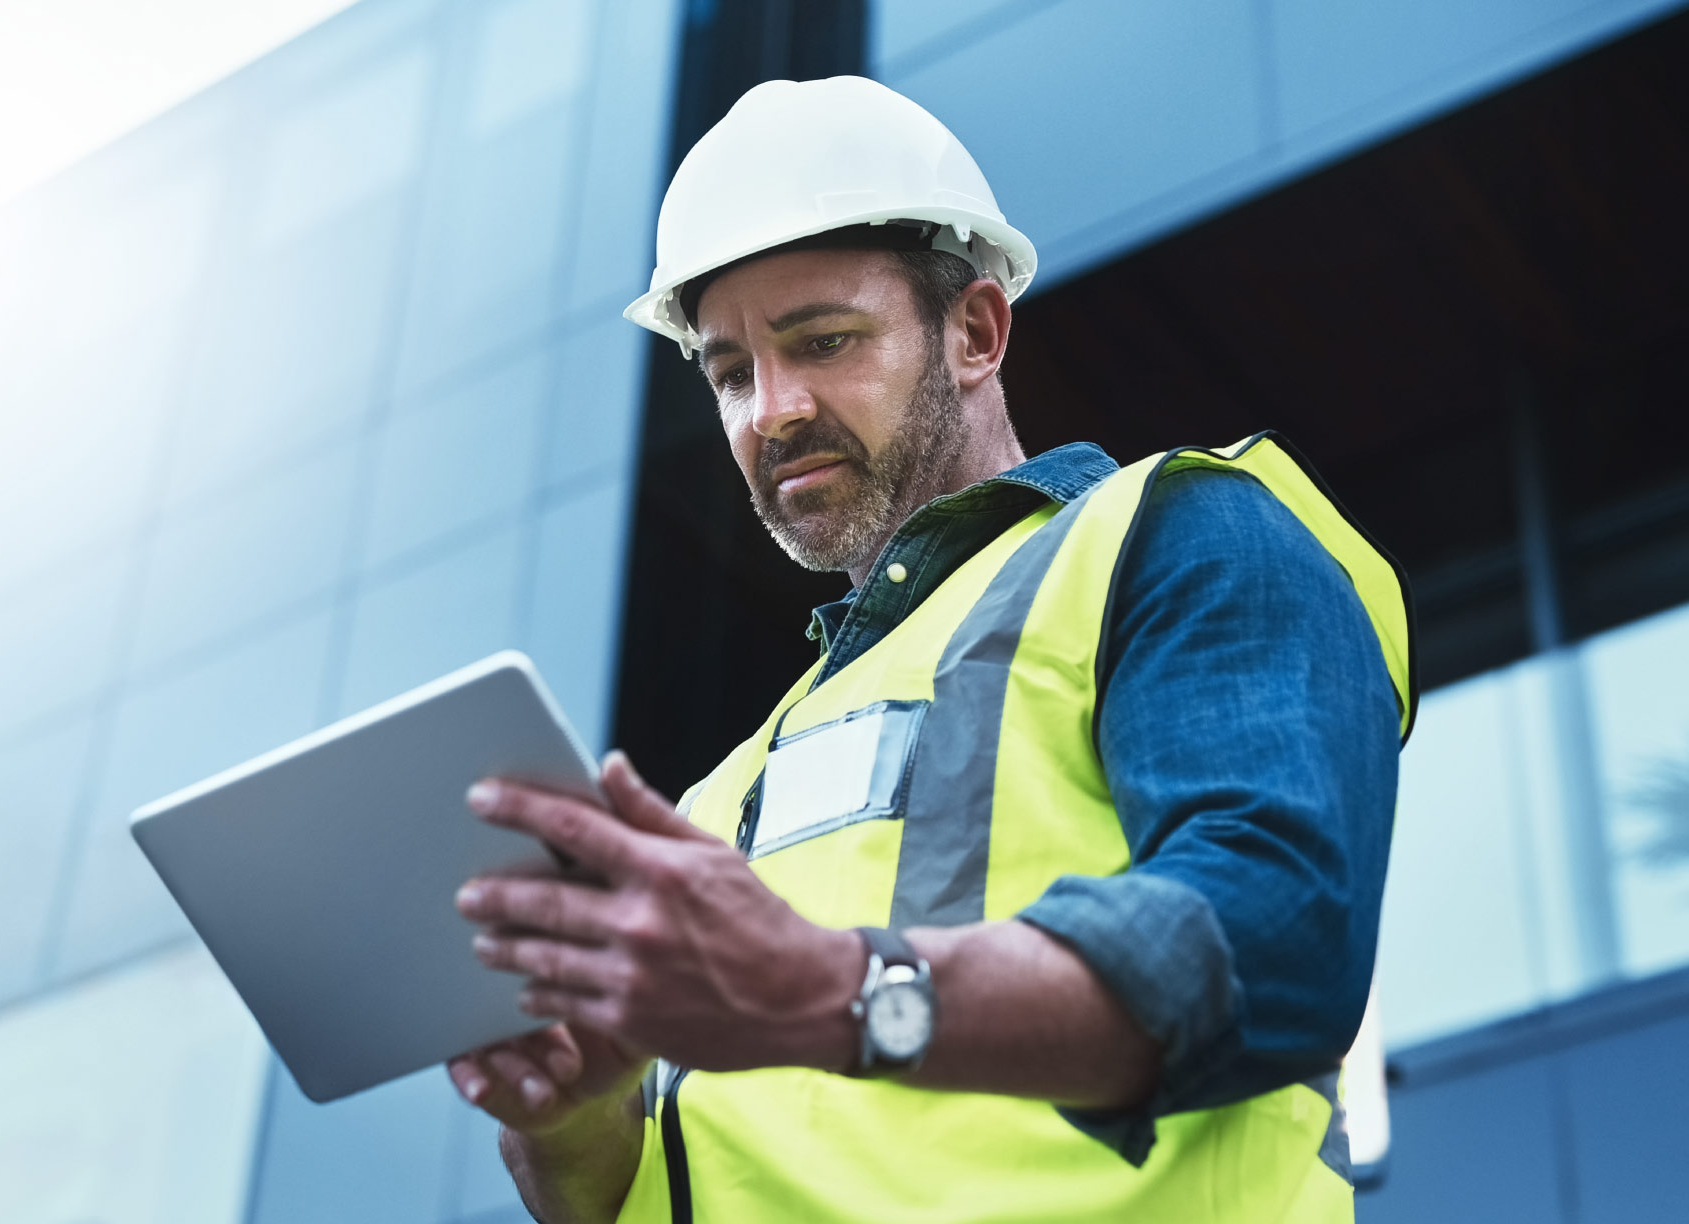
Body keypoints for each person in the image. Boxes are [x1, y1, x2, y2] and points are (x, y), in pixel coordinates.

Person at [445, 76, 1411, 1224]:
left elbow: (1275, 939)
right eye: (731, 373)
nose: (771, 411)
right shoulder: (716, 802)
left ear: (973, 331)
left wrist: (831, 991)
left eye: (823, 341)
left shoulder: (1175, 534)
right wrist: (568, 1126)